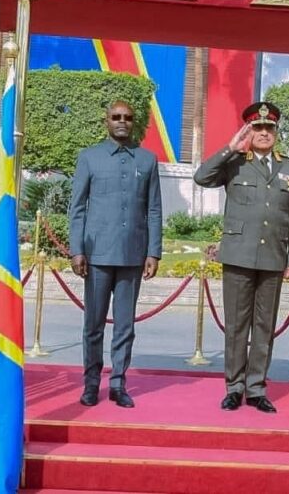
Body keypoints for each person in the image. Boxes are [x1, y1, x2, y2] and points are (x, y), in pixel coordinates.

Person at [194, 101, 289, 414]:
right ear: (248, 131)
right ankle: (234, 388)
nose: (264, 133)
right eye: (258, 128)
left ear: (276, 133)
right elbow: (202, 177)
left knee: (264, 327)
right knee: (237, 326)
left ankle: (256, 389)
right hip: (239, 256)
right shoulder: (235, 162)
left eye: (269, 128)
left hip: (273, 256)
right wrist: (230, 147)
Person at [69, 100, 162, 408]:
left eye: (128, 118)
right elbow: (78, 208)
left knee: (125, 326)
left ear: (134, 123)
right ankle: (91, 384)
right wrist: (76, 249)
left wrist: (154, 251)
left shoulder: (147, 160)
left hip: (132, 255)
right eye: (116, 117)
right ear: (106, 121)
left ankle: (118, 384)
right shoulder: (89, 158)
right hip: (96, 256)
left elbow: (153, 209)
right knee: (93, 326)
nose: (122, 121)